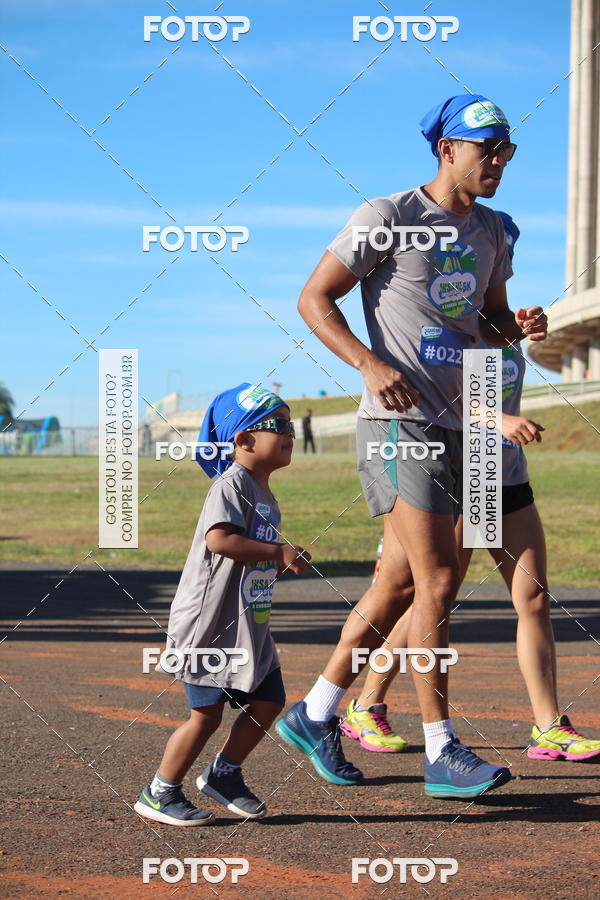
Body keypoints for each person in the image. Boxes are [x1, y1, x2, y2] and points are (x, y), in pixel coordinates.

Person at [276, 94, 548, 799]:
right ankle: (440, 748)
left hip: (467, 427)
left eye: (507, 151)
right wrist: (369, 365)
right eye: (487, 148)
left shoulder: (494, 231)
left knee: (397, 586)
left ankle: (315, 712)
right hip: (403, 425)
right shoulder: (388, 216)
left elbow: (488, 323)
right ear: (446, 149)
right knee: (438, 582)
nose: (499, 161)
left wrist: (518, 326)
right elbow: (314, 299)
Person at [341, 212, 600, 762]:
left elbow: (499, 350)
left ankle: (548, 726)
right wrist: (499, 420)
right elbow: (450, 407)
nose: (490, 268)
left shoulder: (496, 329)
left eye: (498, 260)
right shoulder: (446, 330)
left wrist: (526, 327)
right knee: (432, 594)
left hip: (506, 474)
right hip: (462, 473)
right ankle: (367, 702)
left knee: (533, 596)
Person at [134, 383, 310, 826]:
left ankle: (224, 773)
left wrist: (280, 557)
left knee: (269, 699)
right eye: (278, 425)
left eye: (291, 424)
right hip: (211, 624)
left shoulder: (263, 493)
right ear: (243, 439)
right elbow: (220, 540)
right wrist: (277, 552)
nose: (290, 432)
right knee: (205, 715)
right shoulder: (231, 485)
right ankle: (160, 792)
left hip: (249, 622)